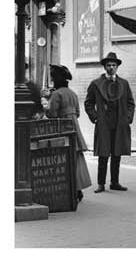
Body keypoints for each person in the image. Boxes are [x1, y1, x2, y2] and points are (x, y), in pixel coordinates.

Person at [85, 52, 135, 193]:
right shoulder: (96, 84)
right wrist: (95, 117)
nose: (111, 68)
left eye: (114, 65)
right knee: (103, 154)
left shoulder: (124, 84)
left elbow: (131, 103)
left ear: (117, 67)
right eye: (108, 65)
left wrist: (128, 117)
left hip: (119, 123)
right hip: (104, 124)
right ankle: (101, 184)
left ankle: (115, 182)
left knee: (117, 154)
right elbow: (88, 103)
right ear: (104, 67)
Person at [46, 64, 92, 202]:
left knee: (62, 159)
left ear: (56, 80)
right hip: (74, 128)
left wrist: (45, 106)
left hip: (61, 129)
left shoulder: (56, 94)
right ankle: (78, 189)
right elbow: (77, 113)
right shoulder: (73, 94)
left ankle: (65, 189)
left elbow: (52, 114)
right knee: (76, 159)